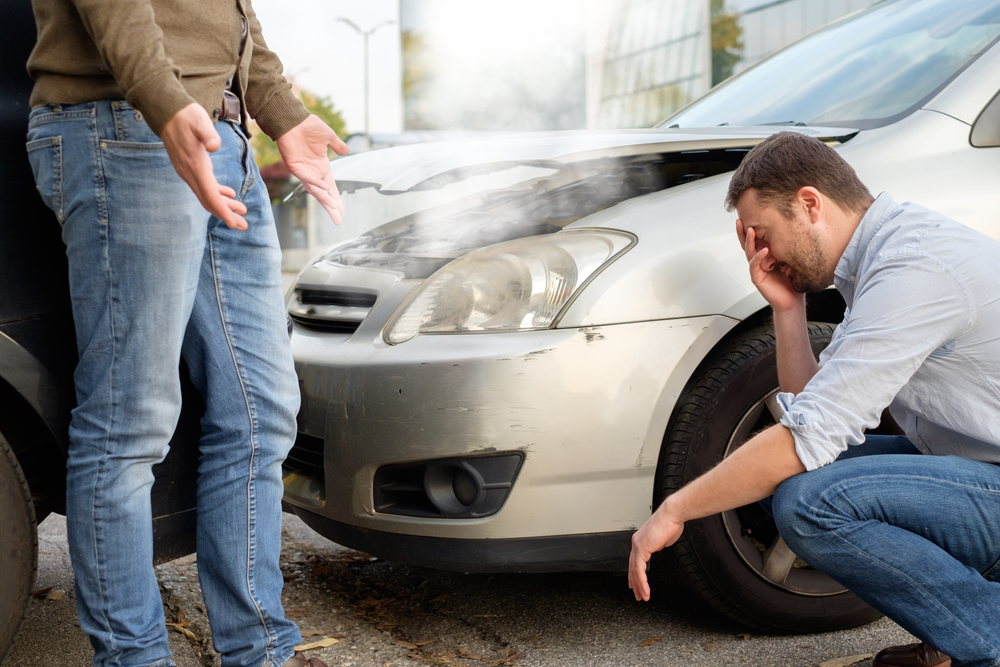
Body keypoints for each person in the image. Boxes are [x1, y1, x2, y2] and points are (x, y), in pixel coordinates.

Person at [24, 1, 347, 666]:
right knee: (129, 422)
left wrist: (279, 112)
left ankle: (258, 649)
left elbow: (233, 14)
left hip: (220, 136)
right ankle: (135, 659)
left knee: (262, 410)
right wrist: (163, 101)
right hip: (129, 122)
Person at [628, 131, 1000, 667]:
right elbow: (813, 413)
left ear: (809, 204)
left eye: (764, 234)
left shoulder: (913, 269)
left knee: (810, 503)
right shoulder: (886, 254)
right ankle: (950, 640)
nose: (762, 252)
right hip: (976, 468)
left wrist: (674, 509)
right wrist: (787, 308)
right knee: (775, 476)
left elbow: (808, 438)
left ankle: (986, 636)